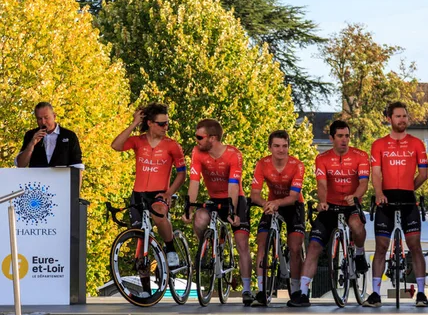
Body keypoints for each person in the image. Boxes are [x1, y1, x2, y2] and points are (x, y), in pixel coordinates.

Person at [287, 120, 370, 307]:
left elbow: (364, 182)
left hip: (351, 205)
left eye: (347, 136)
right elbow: (322, 184)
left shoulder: (361, 156)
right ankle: (303, 292)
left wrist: (355, 197)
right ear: (331, 138)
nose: (344, 140)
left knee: (357, 225)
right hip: (330, 206)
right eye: (340, 136)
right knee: (314, 247)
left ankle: (358, 252)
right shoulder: (322, 158)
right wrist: (322, 201)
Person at [111, 103, 186, 297]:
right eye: (161, 124)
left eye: (167, 123)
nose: (165, 127)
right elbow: (116, 145)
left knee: (159, 216)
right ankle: (145, 289)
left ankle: (170, 249)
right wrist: (134, 123)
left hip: (159, 193)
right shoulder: (138, 141)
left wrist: (169, 193)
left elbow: (182, 174)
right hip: (138, 194)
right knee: (139, 238)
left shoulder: (172, 145)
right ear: (150, 124)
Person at [363, 101, 428, 308]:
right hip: (386, 198)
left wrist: (410, 188)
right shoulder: (378, 144)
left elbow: (424, 174)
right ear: (389, 119)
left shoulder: (417, 143)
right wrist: (379, 193)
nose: (402, 120)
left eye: (405, 116)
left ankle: (420, 293)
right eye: (398, 116)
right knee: (381, 247)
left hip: (408, 198)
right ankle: (375, 293)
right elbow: (375, 173)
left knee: (415, 246)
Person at [184, 119, 253, 306]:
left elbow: (233, 186)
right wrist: (189, 207)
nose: (196, 140)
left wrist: (232, 211)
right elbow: (194, 182)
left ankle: (247, 289)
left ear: (213, 138)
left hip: (235, 198)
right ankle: (207, 246)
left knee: (241, 243)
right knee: (199, 220)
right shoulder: (197, 152)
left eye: (200, 137)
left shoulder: (233, 155)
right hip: (214, 198)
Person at [250, 130, 306, 307]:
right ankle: (261, 290)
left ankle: (297, 291)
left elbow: (293, 196)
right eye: (276, 146)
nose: (281, 150)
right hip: (271, 204)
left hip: (293, 205)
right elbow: (254, 195)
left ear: (288, 147)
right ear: (270, 147)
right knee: (261, 243)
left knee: (295, 247)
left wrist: (276, 203)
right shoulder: (262, 164)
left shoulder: (297, 165)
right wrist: (267, 204)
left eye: (284, 146)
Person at [16, 102, 85, 189]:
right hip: (36, 187)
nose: (43, 122)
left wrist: (75, 197)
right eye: (39, 119)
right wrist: (32, 143)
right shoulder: (30, 135)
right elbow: (21, 165)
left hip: (62, 186)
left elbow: (77, 167)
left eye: (46, 117)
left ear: (54, 116)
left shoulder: (69, 136)